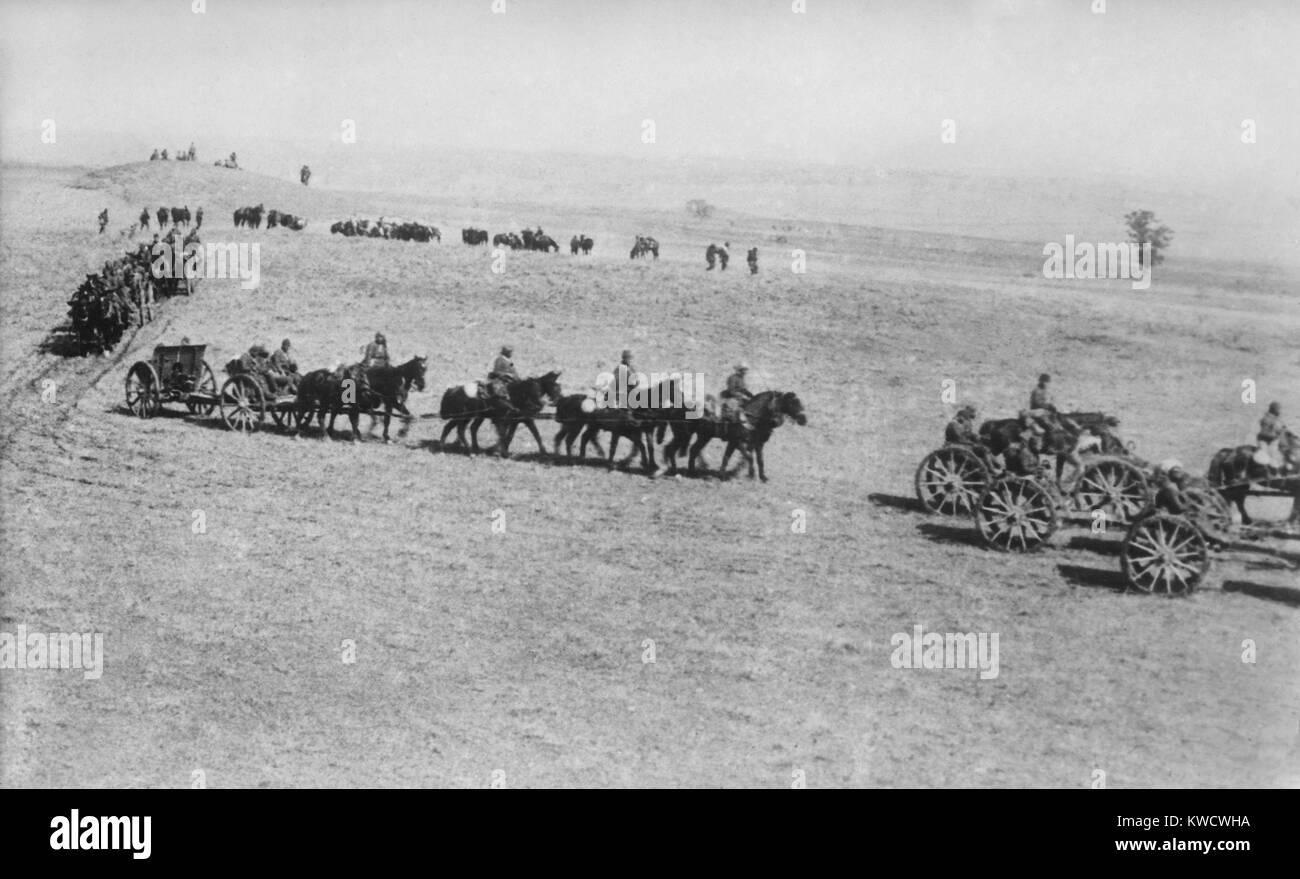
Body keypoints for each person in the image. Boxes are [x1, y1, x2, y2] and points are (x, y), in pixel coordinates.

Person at [487, 344, 520, 411]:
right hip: (502, 381)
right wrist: (507, 374)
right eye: (511, 352)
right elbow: (496, 371)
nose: (512, 354)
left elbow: (514, 371)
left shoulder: (509, 361)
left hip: (510, 380)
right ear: (506, 352)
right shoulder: (500, 359)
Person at [1256, 402, 1288, 469]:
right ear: (1274, 409)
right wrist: (1276, 436)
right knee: (1265, 457)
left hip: (1275, 442)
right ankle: (1265, 472)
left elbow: (1282, 430)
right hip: (1265, 442)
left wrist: (1282, 431)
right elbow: (1264, 433)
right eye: (1279, 409)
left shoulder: (1278, 420)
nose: (1280, 411)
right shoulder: (1266, 419)